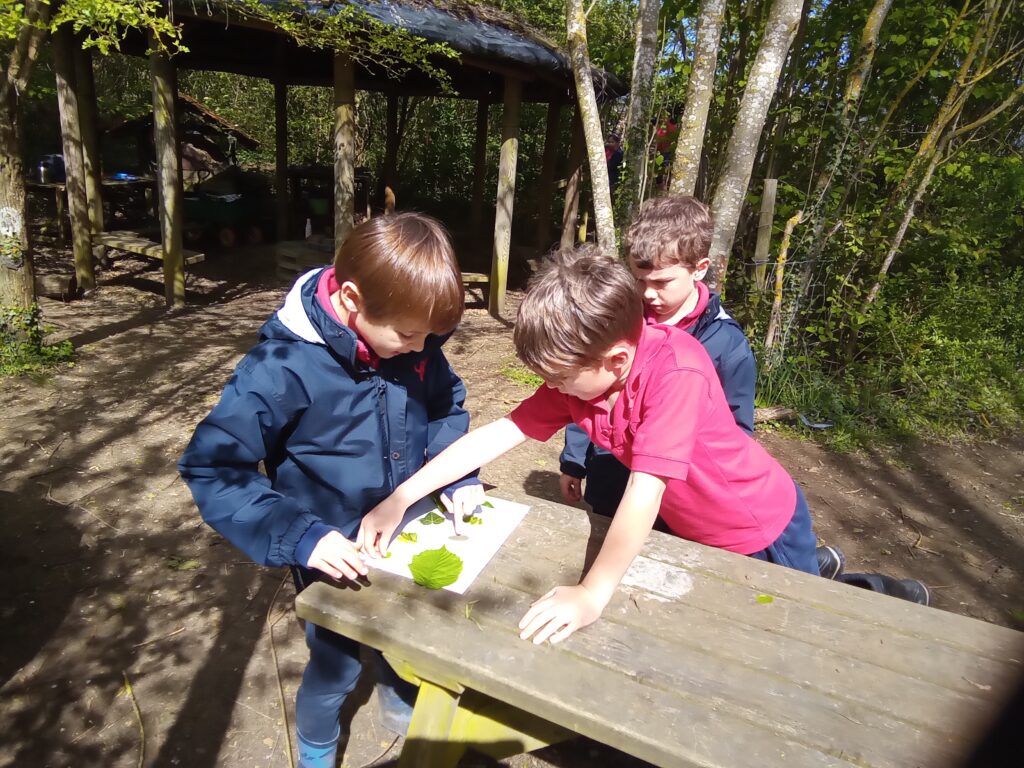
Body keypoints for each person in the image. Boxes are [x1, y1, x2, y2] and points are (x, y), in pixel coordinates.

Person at [357, 247, 822, 646]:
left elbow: (646, 490)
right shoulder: (584, 374)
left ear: (616, 359)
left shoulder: (676, 372)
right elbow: (500, 433)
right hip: (693, 530)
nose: (552, 387)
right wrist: (401, 498)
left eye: (558, 377)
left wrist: (592, 592)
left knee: (800, 631)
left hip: (759, 528)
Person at [178, 213, 484, 768]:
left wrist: (455, 473)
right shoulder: (281, 368)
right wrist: (301, 536)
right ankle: (317, 749)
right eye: (410, 336)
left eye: (429, 337)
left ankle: (397, 700)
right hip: (330, 543)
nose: (422, 347)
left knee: (406, 633)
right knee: (336, 661)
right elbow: (212, 467)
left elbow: (444, 407)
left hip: (405, 528)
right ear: (351, 299)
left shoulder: (410, 340)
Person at [559, 196, 755, 518]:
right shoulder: (623, 318)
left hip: (678, 495)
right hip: (610, 476)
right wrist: (574, 460)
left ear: (700, 269)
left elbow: (737, 433)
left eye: (662, 282)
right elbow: (588, 390)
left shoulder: (726, 343)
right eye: (639, 279)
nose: (648, 293)